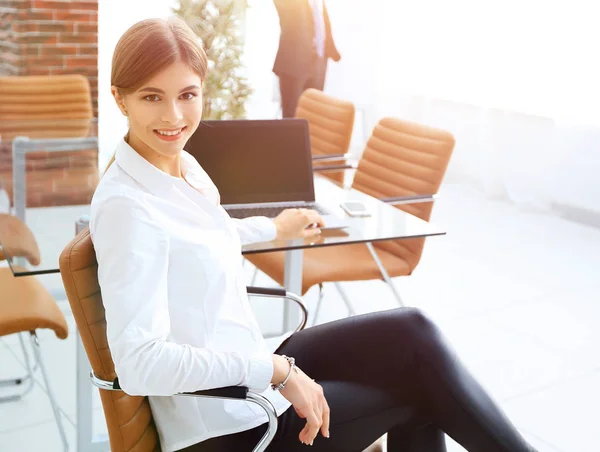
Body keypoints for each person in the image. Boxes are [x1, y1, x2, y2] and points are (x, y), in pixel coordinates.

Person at [91, 18, 537, 452]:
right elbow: (140, 364)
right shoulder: (127, 209)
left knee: (413, 331)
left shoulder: (180, 167)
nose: (173, 116)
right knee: (422, 393)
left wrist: (276, 227)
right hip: (227, 423)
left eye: (187, 94)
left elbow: (202, 236)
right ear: (120, 99)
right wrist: (278, 371)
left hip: (247, 371)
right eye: (153, 97)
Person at [273, 0, 341, 117]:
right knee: (292, 117)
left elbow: (323, 20)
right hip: (294, 62)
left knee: (314, 116)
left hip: (319, 60)